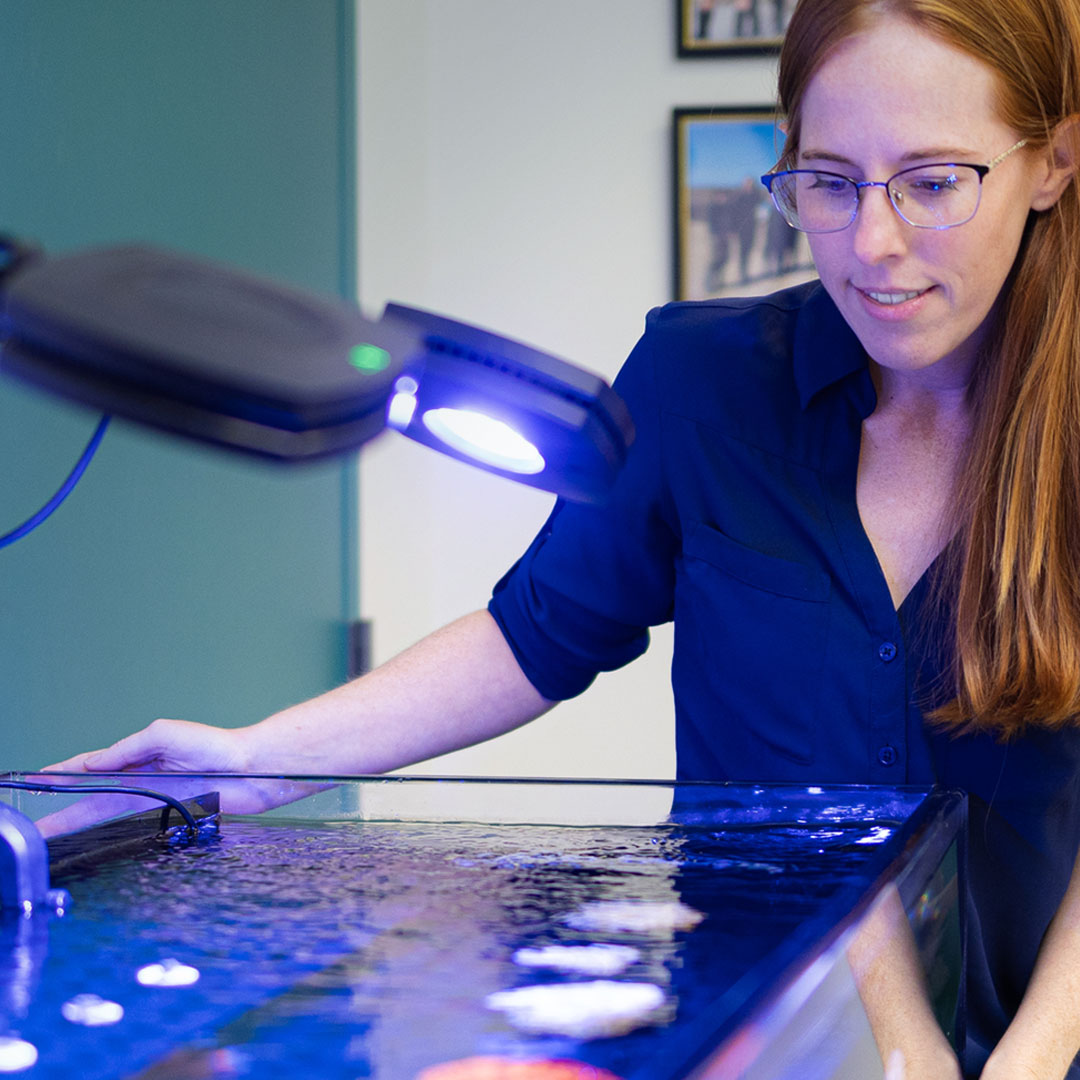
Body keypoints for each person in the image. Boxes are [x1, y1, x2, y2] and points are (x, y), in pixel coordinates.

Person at [51, 0, 1080, 1076]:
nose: (874, 242)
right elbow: (539, 632)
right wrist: (255, 761)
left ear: (1052, 160)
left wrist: (1028, 1060)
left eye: (932, 183)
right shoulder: (707, 384)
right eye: (827, 181)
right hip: (740, 1036)